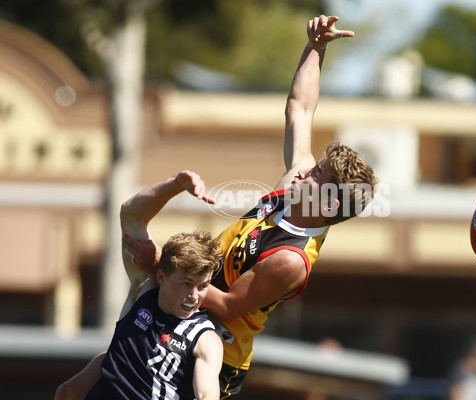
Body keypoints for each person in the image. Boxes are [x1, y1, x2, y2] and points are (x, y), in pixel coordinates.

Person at [56, 14, 378, 399]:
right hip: (178, 312)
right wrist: (316, 47)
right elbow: (299, 109)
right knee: (74, 391)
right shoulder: (292, 187)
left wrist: (163, 262)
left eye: (316, 175)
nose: (304, 170)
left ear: (326, 202)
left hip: (213, 354)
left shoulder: (290, 260)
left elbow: (225, 306)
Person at [55, 171, 223, 400]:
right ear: (162, 277)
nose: (194, 296)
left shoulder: (204, 338)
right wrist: (175, 185)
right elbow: (131, 215)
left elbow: (207, 395)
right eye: (186, 284)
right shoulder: (145, 287)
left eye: (203, 286)